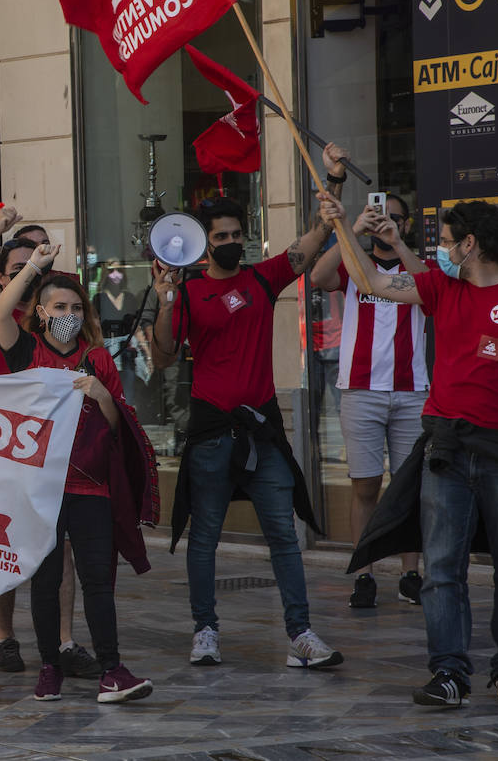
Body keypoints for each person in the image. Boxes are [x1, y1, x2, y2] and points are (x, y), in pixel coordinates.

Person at [151, 194, 344, 670]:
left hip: (261, 431)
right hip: (212, 432)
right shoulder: (190, 291)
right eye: (221, 237)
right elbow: (163, 356)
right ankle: (205, 632)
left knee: (284, 534)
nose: (231, 243)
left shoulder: (263, 277)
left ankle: (300, 634)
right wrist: (165, 302)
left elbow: (308, 245)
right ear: (204, 242)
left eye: (237, 235)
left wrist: (329, 204)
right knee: (205, 538)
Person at [340, 198, 498, 708]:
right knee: (441, 570)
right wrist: (340, 225)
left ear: (469, 244)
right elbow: (371, 282)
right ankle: (448, 673)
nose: (437, 249)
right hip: (446, 450)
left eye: (444, 240)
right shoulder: (442, 288)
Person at [0, 244, 156, 704]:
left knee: (98, 580)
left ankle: (112, 668)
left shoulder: (98, 359)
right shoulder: (26, 352)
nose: (67, 313)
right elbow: (1, 311)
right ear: (42, 313)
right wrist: (34, 268)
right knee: (45, 582)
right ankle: (50, 667)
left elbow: (118, 425)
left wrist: (101, 394)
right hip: (41, 489)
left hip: (91, 486)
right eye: (58, 306)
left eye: (75, 307)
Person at [0, 211, 101, 677]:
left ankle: (64, 640)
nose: (32, 273)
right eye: (19, 269)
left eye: (39, 265)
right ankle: (5, 636)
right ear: (2, 276)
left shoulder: (52, 319)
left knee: (62, 550)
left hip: (47, 448)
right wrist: (10, 249)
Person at [310, 164, 429, 609]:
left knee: (408, 486)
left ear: (407, 224)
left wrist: (398, 243)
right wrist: (352, 231)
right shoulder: (355, 263)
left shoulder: (421, 266)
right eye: (381, 217)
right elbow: (320, 278)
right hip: (360, 391)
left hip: (411, 390)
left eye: (395, 218)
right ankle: (363, 574)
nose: (387, 224)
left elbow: (427, 287)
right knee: (364, 487)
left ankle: (410, 573)